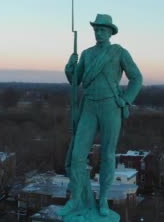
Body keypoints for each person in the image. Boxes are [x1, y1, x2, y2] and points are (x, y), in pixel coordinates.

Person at [58, 14, 142, 219]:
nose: (99, 32)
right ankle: (76, 199)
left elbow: (136, 78)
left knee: (107, 156)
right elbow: (75, 81)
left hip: (110, 107)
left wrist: (126, 100)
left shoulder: (119, 52)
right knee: (77, 155)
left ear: (110, 32)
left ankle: (103, 199)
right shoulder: (86, 54)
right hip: (89, 106)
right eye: (96, 29)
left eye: (103, 29)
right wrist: (70, 66)